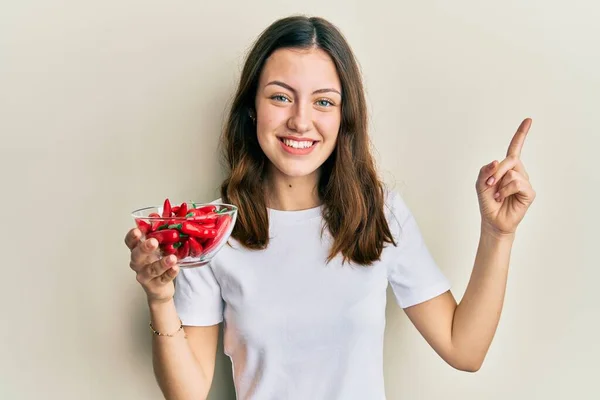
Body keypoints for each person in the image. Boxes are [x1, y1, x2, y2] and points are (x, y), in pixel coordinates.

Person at [123, 15, 536, 400]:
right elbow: (188, 393)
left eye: (323, 102)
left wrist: (498, 234)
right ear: (252, 109)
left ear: (344, 117)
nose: (301, 121)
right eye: (281, 97)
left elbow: (464, 349)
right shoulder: (212, 229)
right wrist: (160, 298)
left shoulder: (381, 213)